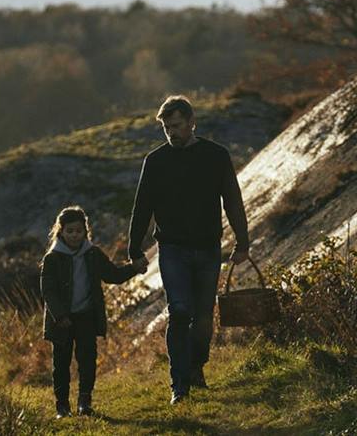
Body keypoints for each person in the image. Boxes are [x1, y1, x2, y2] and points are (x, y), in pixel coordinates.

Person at [127, 95, 250, 404]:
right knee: (179, 311)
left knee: (204, 317)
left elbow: (233, 201)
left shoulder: (216, 156)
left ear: (192, 122)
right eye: (167, 128)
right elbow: (142, 207)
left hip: (209, 248)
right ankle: (178, 384)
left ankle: (197, 367)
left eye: (177, 126)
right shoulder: (155, 161)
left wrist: (243, 242)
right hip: (172, 250)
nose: (172, 133)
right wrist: (134, 248)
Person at [41, 206, 147, 418]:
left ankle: (84, 402)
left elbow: (113, 275)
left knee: (87, 360)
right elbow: (48, 291)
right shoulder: (53, 258)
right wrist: (60, 316)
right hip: (61, 320)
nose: (74, 235)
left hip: (86, 316)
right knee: (61, 364)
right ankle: (62, 407)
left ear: (85, 231)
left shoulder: (93, 254)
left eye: (78, 231)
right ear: (60, 232)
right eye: (70, 231)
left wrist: (134, 268)